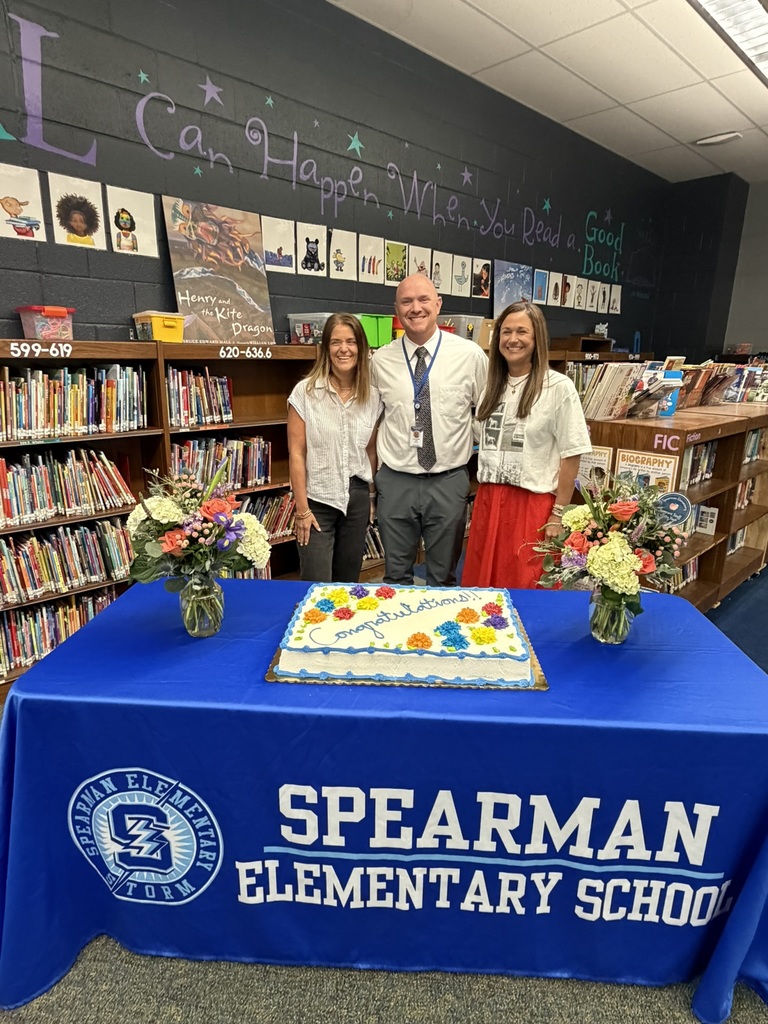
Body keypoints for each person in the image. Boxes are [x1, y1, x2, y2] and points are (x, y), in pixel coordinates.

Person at [462, 301, 591, 590]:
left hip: (532, 507)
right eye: (506, 331)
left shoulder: (558, 387)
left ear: (537, 338)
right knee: (485, 587)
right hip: (489, 502)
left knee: (527, 586)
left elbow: (571, 455)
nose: (513, 339)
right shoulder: (491, 388)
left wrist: (558, 513)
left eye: (522, 331)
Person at [372, 274, 488, 586]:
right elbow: (370, 420)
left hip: (448, 481)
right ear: (396, 310)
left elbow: (487, 413)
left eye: (424, 299)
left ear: (438, 304)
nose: (416, 308)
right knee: (396, 579)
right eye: (406, 301)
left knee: (443, 579)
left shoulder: (470, 356)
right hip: (396, 481)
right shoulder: (380, 360)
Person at [288, 313, 381, 582]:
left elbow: (370, 452)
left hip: (357, 499)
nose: (344, 349)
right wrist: (302, 510)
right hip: (317, 500)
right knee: (316, 583)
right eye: (336, 342)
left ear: (361, 348)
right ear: (326, 348)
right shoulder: (305, 393)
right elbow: (297, 453)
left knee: (347, 583)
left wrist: (371, 499)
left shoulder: (372, 397)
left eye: (351, 342)